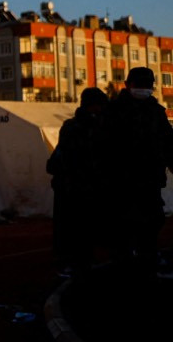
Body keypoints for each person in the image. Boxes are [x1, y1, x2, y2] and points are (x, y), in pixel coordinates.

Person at [99, 67, 173, 277]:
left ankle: (143, 271)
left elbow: (168, 143)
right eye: (139, 85)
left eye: (146, 86)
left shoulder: (155, 112)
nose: (143, 90)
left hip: (148, 184)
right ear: (127, 85)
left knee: (148, 232)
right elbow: (101, 148)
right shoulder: (113, 111)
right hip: (121, 185)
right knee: (123, 233)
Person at [46, 87, 108, 277]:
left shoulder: (75, 126)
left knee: (75, 228)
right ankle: (75, 261)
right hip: (77, 186)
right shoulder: (82, 128)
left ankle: (77, 259)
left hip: (74, 186)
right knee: (77, 228)